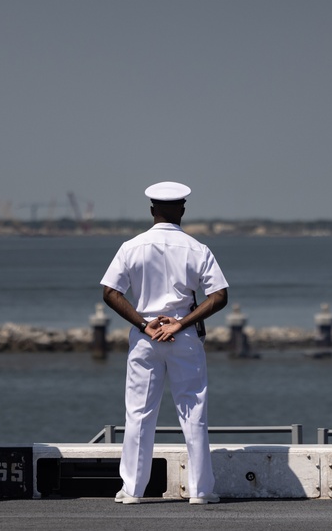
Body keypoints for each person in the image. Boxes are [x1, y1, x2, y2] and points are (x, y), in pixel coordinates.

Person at [100, 181, 229, 505]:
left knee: (139, 414)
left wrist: (145, 325)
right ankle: (200, 491)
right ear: (183, 209)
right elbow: (219, 296)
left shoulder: (131, 246)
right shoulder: (197, 248)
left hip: (145, 338)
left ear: (152, 210)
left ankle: (132, 490)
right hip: (184, 337)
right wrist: (181, 322)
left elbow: (110, 293)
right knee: (193, 411)